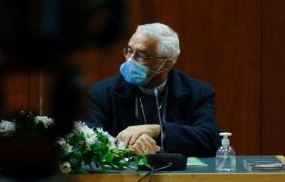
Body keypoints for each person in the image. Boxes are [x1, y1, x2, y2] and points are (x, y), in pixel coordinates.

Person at [86, 23, 221, 157]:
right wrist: (124, 145)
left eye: (141, 55)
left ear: (166, 64)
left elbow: (211, 139)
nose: (130, 60)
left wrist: (159, 130)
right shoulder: (103, 92)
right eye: (129, 50)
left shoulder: (197, 92)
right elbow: (87, 137)